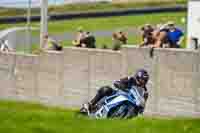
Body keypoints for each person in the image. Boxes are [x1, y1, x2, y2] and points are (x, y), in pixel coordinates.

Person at [86, 69, 150, 113]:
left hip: (132, 102)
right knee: (106, 89)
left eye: (145, 80)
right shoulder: (130, 79)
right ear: (138, 77)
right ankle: (90, 105)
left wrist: (142, 105)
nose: (143, 82)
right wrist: (123, 87)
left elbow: (143, 102)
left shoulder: (145, 91)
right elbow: (117, 82)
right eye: (142, 79)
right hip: (120, 94)